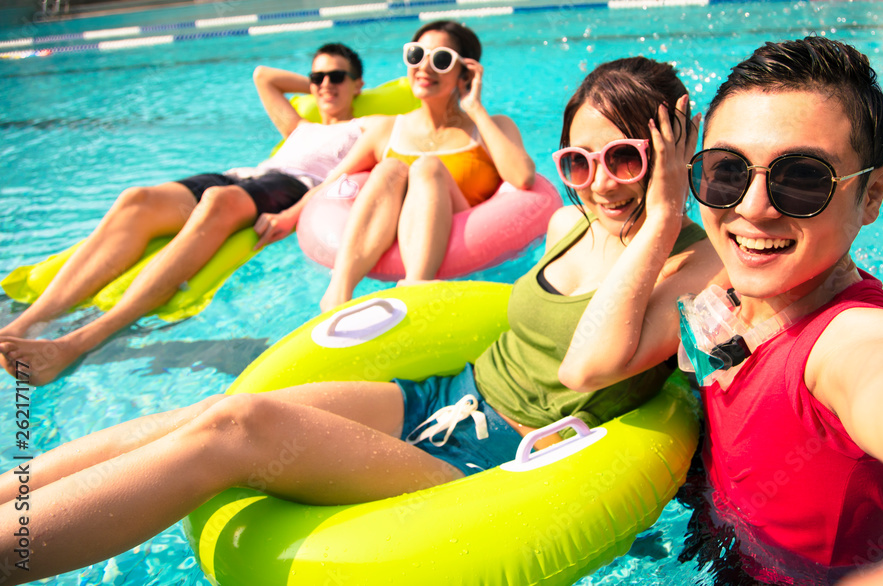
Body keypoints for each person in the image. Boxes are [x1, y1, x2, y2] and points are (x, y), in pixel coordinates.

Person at [0, 56, 720, 582]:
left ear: (669, 158)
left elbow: (585, 367)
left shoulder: (691, 263)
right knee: (210, 411)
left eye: (626, 159)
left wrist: (661, 217)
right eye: (580, 161)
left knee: (238, 431)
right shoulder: (568, 220)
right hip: (445, 396)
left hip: (500, 462)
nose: (600, 184)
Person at [562, 37, 883, 585]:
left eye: (802, 178)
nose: (752, 208)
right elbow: (584, 368)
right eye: (726, 172)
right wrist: (665, 213)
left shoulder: (842, 344)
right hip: (719, 539)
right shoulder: (727, 287)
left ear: (872, 195)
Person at [0, 43, 367, 386]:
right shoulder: (299, 128)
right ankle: (26, 324)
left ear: (359, 84)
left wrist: (342, 91)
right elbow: (263, 76)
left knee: (218, 201)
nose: (324, 85)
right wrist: (325, 87)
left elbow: (392, 142)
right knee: (137, 199)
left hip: (291, 187)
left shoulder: (363, 127)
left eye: (337, 77)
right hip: (242, 177)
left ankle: (77, 343)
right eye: (318, 78)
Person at [267, 20, 536, 312]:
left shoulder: (490, 128)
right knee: (388, 169)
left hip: (463, 242)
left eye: (442, 60)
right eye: (416, 55)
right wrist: (285, 218)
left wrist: (474, 107)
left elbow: (522, 178)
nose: (425, 67)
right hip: (392, 231)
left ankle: (415, 286)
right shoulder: (387, 130)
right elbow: (330, 184)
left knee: (427, 168)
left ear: (465, 72)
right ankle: (338, 295)